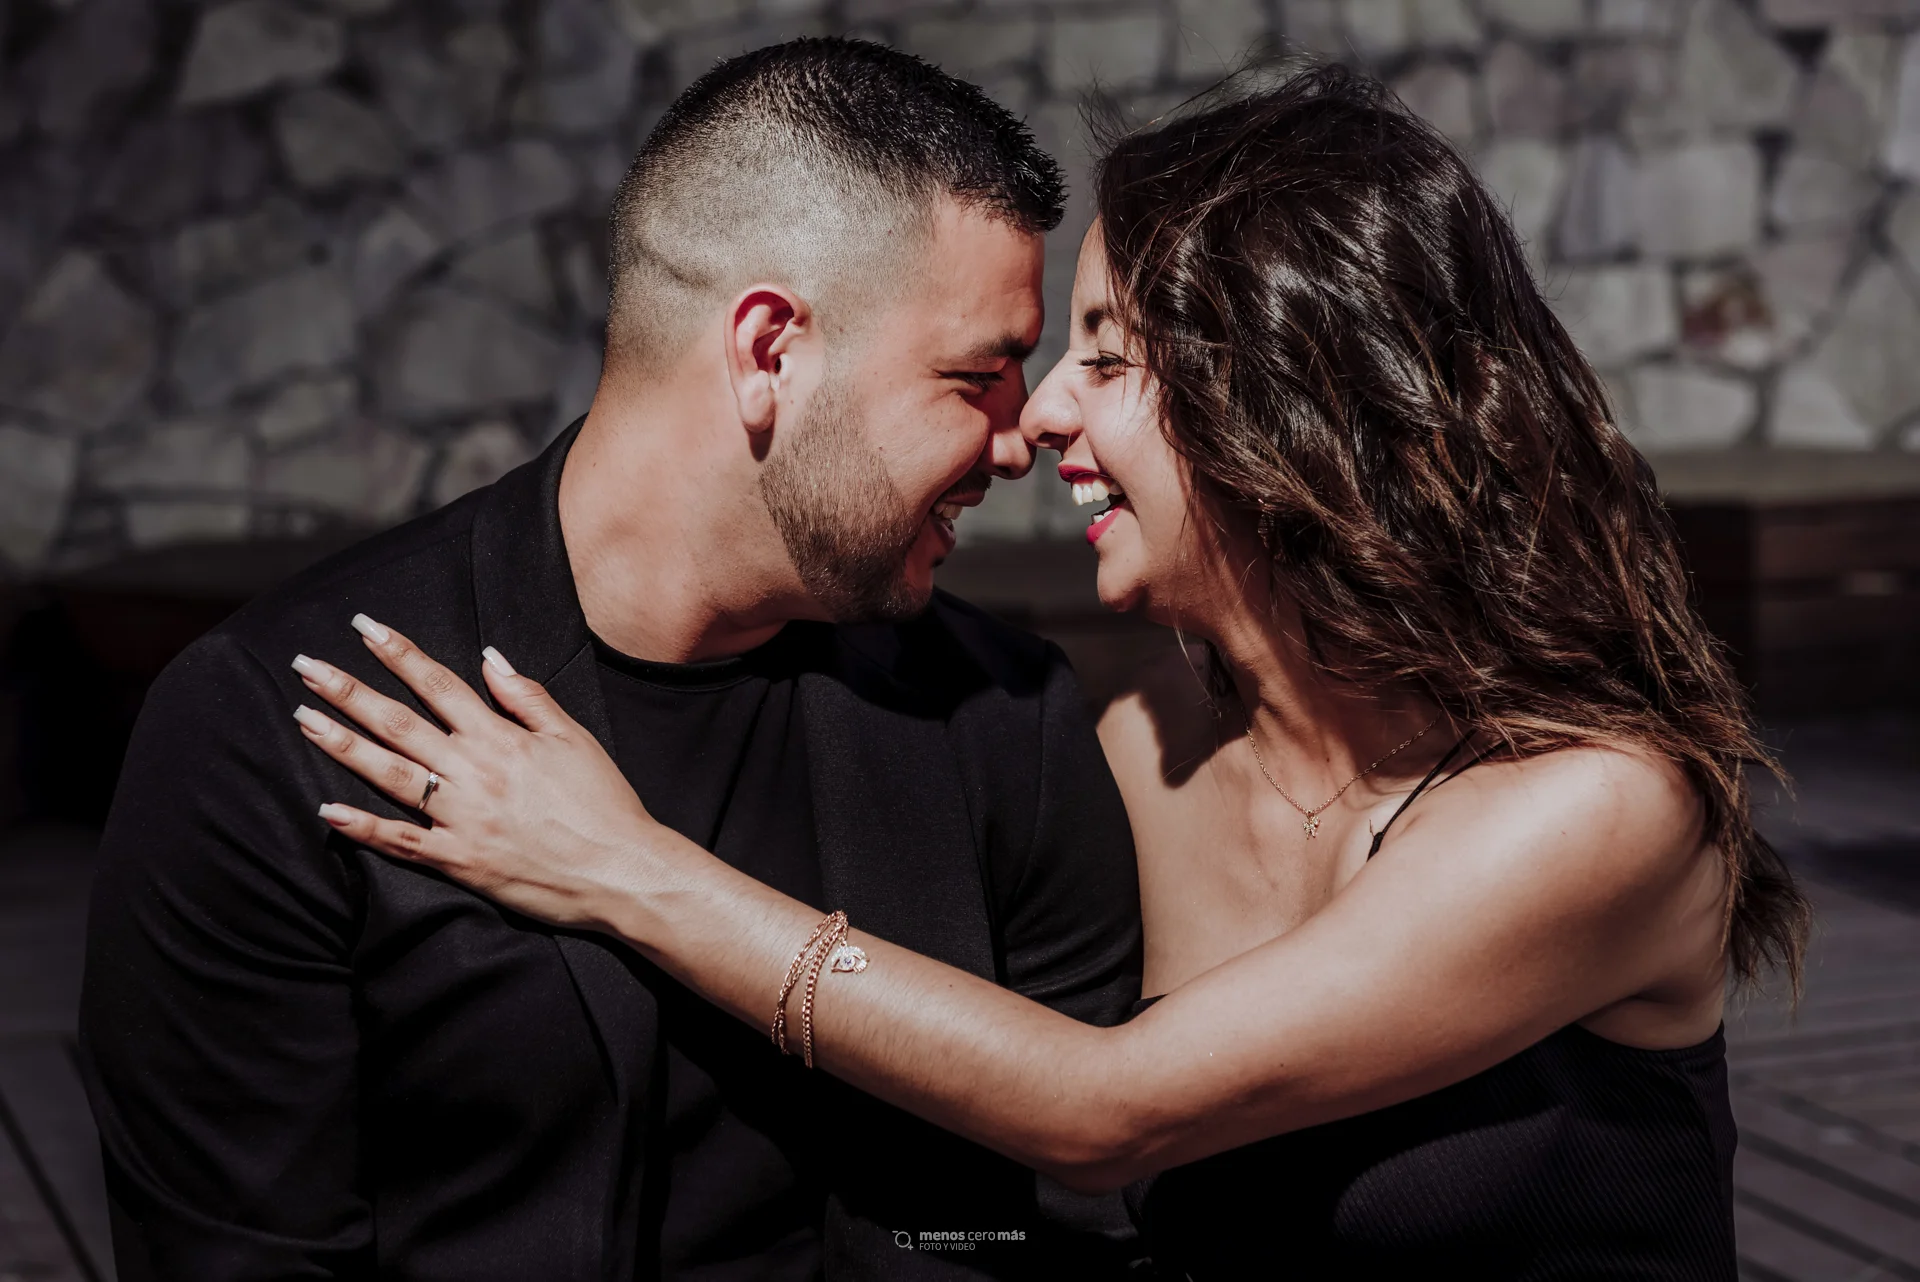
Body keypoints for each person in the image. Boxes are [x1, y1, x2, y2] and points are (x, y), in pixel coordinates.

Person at [288, 66, 1813, 1279]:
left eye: (1108, 352)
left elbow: (1102, 1106)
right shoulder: (1137, 739)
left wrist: (629, 869)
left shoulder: (1602, 808)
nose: (1040, 423)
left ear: (1287, 396)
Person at [78, 39, 1147, 1282]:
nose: (1023, 439)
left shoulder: (999, 714)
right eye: (976, 377)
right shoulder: (282, 721)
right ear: (768, 351)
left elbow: (1058, 1225)